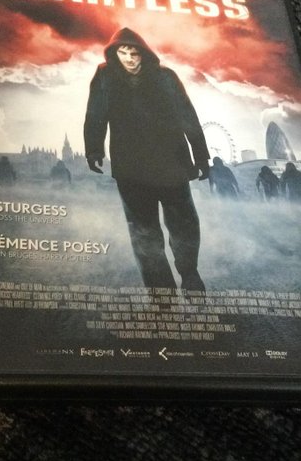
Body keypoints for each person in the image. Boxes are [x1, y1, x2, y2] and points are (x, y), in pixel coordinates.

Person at [84, 27, 210, 292]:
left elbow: (187, 115)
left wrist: (200, 155)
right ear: (114, 53)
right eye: (123, 52)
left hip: (171, 163)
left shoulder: (166, 77)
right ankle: (161, 291)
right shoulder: (105, 76)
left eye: (134, 53)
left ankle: (189, 273)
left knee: (184, 225)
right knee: (143, 233)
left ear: (143, 53)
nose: (129, 58)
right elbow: (96, 113)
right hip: (131, 167)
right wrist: (93, 149)